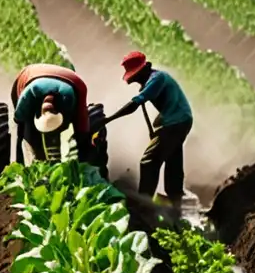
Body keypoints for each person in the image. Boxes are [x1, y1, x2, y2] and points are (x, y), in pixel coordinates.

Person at [105, 52, 193, 213]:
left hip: (175, 122)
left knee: (149, 161)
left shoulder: (156, 79)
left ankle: (144, 206)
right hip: (180, 119)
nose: (135, 80)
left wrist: (108, 119)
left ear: (145, 69)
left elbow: (135, 104)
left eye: (136, 76)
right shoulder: (153, 79)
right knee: (173, 160)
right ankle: (176, 206)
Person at [11, 63, 91, 164]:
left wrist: (83, 138)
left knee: (80, 129)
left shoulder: (70, 98)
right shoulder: (29, 94)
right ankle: (24, 163)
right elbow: (19, 116)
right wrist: (18, 120)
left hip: (72, 80)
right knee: (24, 129)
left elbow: (81, 118)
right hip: (28, 75)